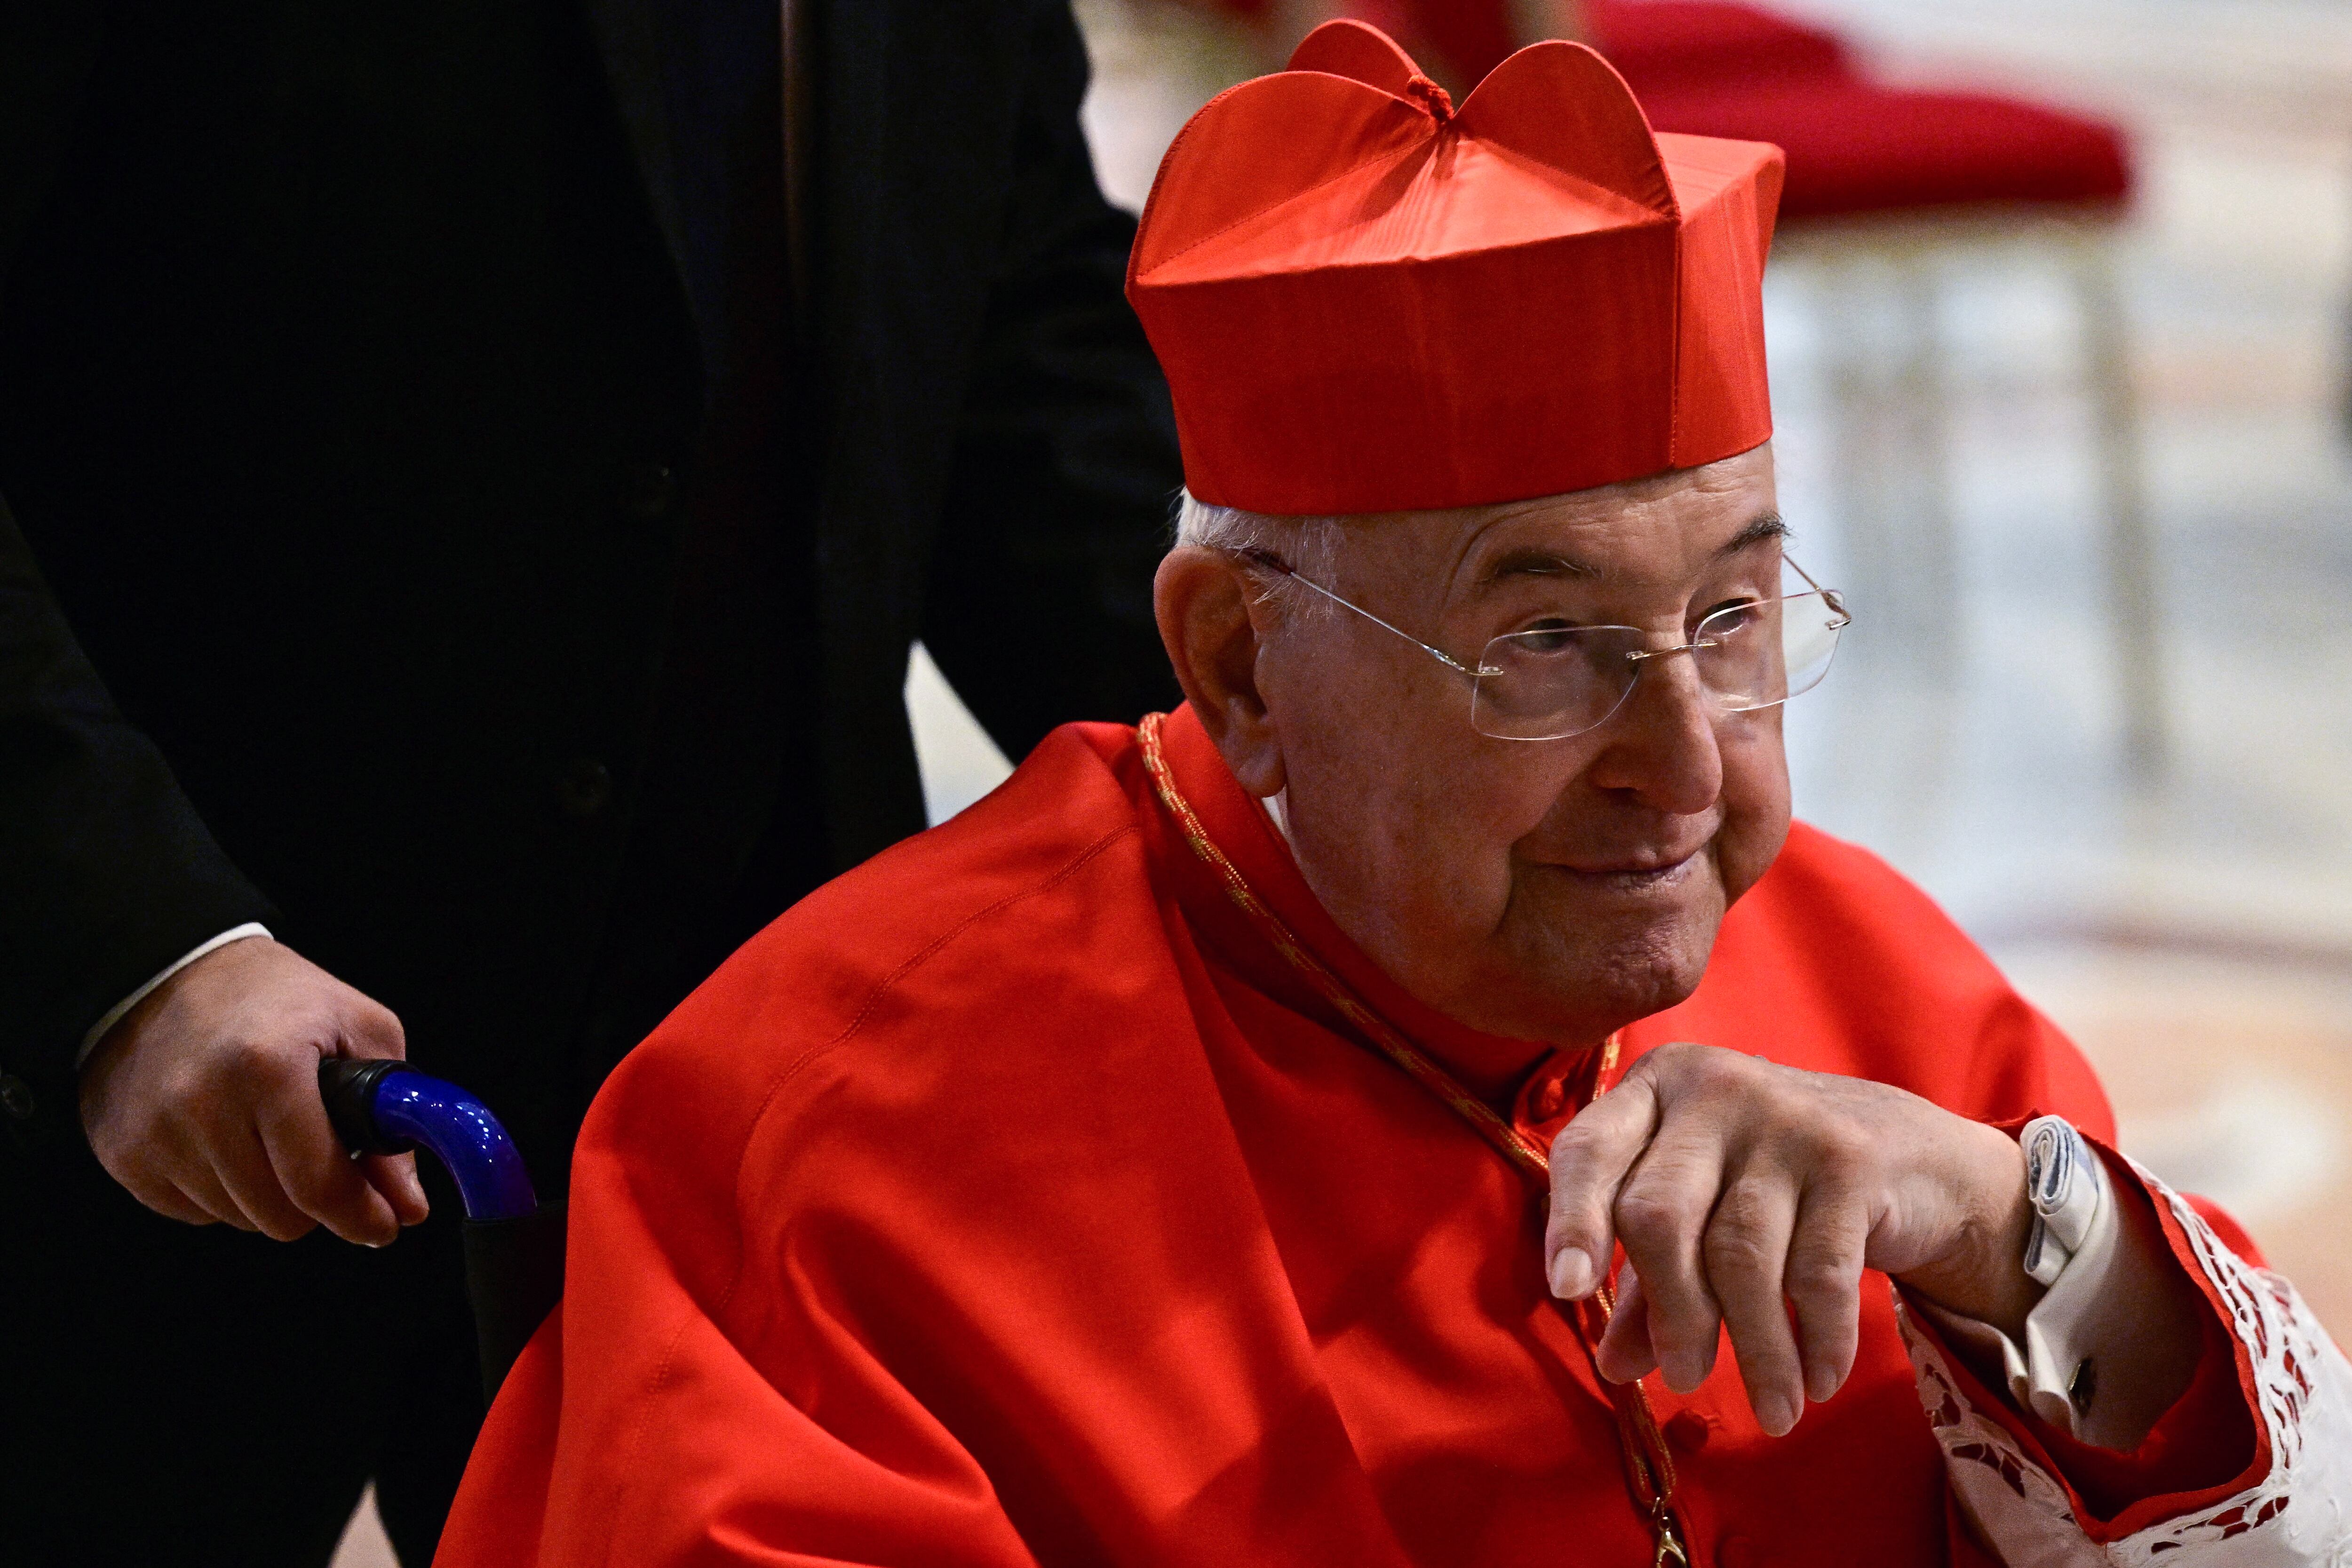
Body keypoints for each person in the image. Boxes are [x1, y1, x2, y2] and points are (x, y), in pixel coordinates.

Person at [435, 23, 2352, 1566]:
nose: (1685, 769)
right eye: (1547, 648)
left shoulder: (1877, 989)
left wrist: (2000, 1227)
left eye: (1733, 613)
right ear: (1242, 664)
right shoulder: (811, 1151)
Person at [0, 1, 1181, 1562]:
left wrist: (1329, 791)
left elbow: (1012, 360)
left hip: (717, 1104)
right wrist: (135, 945)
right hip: (161, 1061)